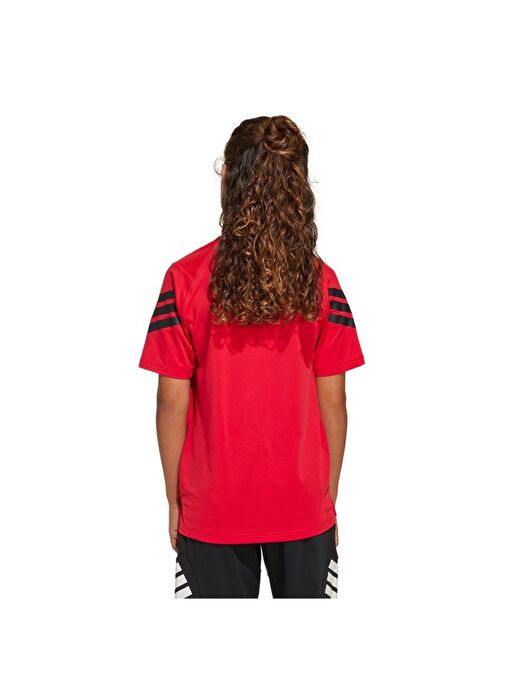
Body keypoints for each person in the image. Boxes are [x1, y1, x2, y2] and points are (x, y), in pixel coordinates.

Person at [139, 115, 365, 598]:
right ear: (298, 187)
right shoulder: (321, 282)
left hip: (213, 506)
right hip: (302, 503)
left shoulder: (185, 278)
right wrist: (327, 499)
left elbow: (171, 402)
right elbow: (334, 401)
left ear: (228, 177)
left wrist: (173, 498)